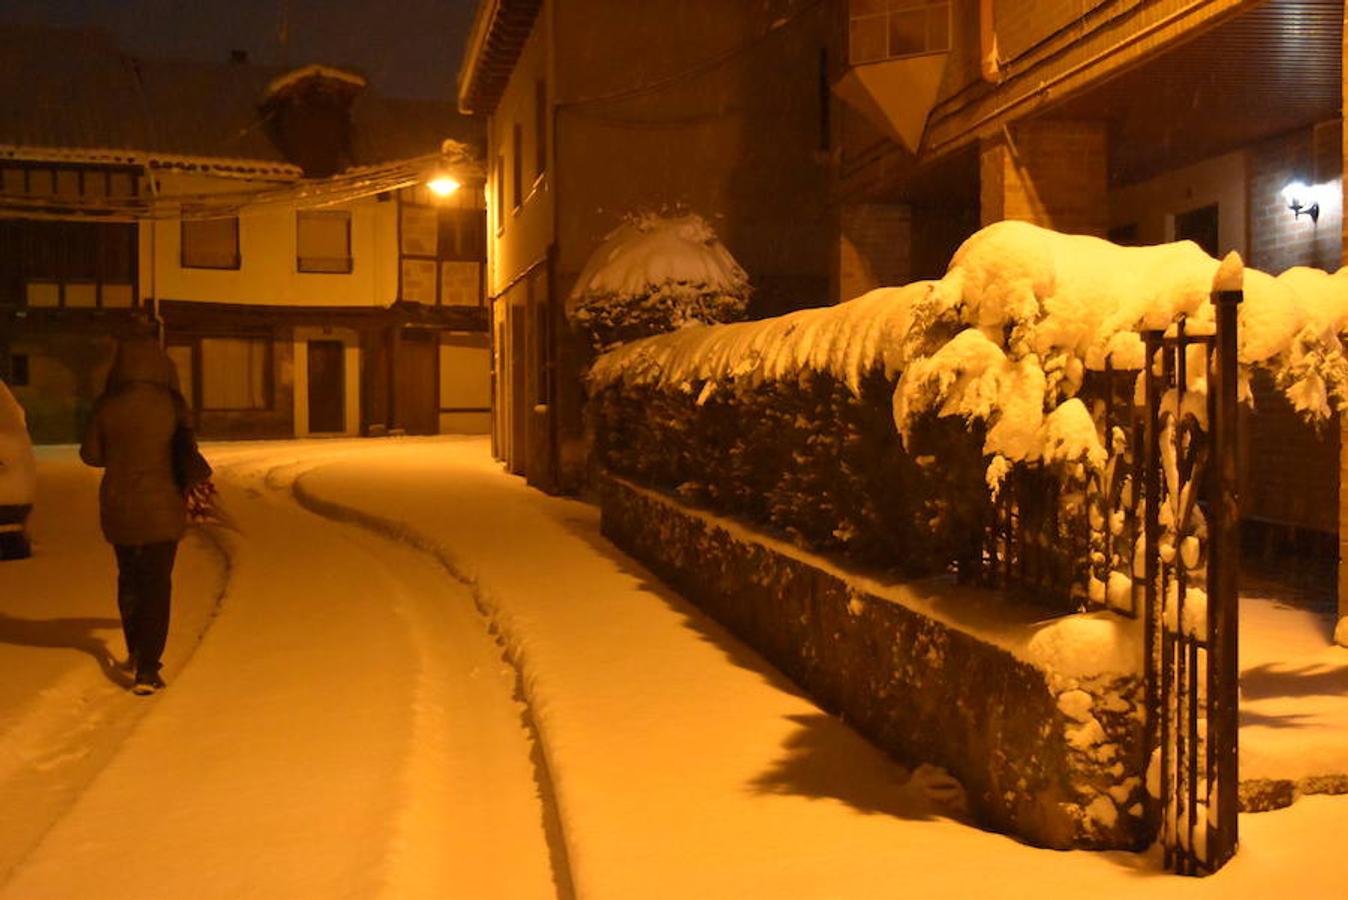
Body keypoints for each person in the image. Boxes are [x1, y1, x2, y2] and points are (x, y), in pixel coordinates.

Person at [80, 336, 199, 695]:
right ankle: (148, 668)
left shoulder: (107, 406)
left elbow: (91, 455)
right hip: (163, 507)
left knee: (129, 577)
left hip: (120, 505)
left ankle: (134, 650)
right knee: (157, 584)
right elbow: (187, 451)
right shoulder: (173, 405)